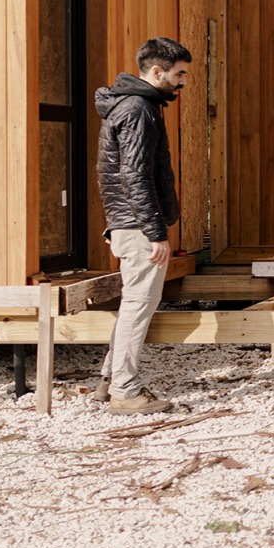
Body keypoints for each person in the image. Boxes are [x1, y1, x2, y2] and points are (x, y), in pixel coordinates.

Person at [91, 37, 191, 415]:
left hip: (130, 223)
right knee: (138, 306)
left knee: (135, 304)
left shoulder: (136, 105)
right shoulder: (137, 110)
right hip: (137, 227)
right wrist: (155, 232)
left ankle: (109, 381)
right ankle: (126, 392)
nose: (182, 82)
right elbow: (134, 176)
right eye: (179, 74)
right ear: (156, 71)